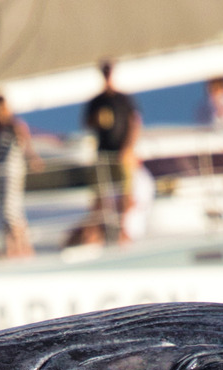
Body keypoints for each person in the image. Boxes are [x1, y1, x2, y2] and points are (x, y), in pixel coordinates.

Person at [82, 60, 140, 243]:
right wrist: (97, 120)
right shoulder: (97, 101)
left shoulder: (123, 99)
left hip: (120, 152)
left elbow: (134, 123)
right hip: (103, 152)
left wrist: (128, 148)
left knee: (125, 193)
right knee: (100, 194)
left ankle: (123, 228)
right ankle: (103, 229)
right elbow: (87, 123)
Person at [0, 95, 41, 258]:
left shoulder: (14, 124)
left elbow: (26, 143)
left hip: (12, 170)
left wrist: (33, 158)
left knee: (11, 208)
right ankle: (10, 248)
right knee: (2, 209)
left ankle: (23, 247)